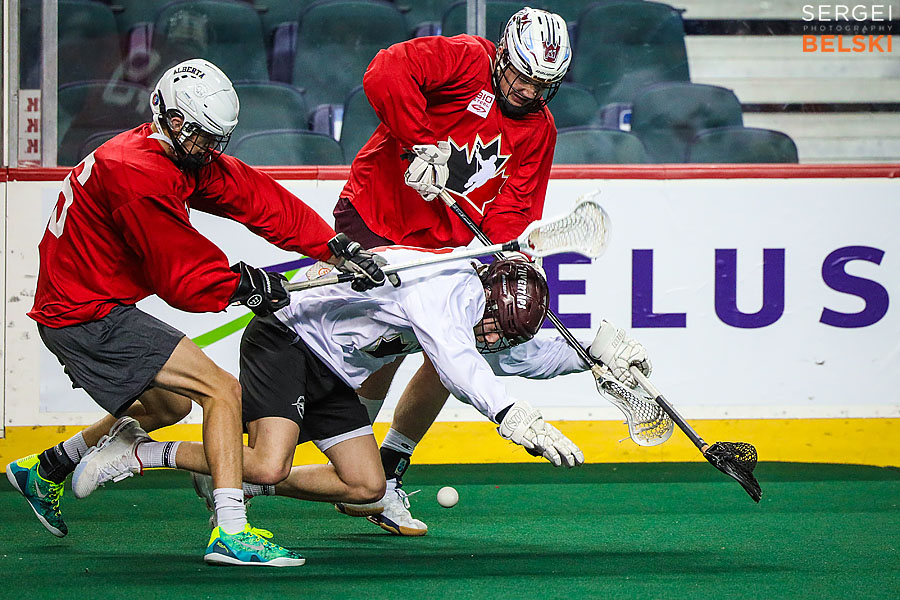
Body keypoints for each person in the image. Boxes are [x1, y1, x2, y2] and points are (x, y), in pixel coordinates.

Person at [4, 58, 388, 567]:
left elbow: (258, 198)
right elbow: (182, 278)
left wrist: (333, 247)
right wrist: (241, 285)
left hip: (92, 305)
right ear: (169, 116)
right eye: (200, 136)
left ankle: (49, 465)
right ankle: (230, 530)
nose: (208, 149)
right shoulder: (138, 173)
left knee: (171, 409)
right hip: (85, 316)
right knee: (221, 390)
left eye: (215, 139)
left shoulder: (172, 152)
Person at [72, 251, 587, 539]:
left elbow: (516, 357)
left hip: (332, 367)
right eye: (494, 326)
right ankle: (138, 452)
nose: (492, 338)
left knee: (368, 486)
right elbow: (457, 365)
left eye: (503, 333)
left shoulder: (482, 312)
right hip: (288, 339)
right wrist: (510, 414)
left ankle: (243, 483)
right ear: (487, 298)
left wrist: (594, 354)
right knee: (269, 461)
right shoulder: (444, 291)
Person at [330, 8, 581, 533]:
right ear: (503, 54)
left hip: (446, 246)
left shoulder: (538, 129)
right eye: (520, 75)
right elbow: (382, 73)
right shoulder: (464, 59)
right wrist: (422, 140)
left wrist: (512, 258)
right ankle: (345, 476)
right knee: (378, 353)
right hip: (375, 217)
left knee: (453, 340)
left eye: (541, 86)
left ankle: (386, 476)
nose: (526, 91)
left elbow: (515, 208)